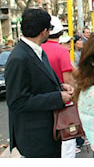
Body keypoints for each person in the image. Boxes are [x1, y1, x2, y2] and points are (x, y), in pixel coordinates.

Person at [5, 8, 74, 158]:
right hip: (35, 138)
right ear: (44, 31)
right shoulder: (19, 58)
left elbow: (39, 83)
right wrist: (57, 98)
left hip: (48, 132)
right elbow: (17, 102)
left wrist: (60, 86)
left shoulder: (37, 51)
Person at [42, 16, 77, 157]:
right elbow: (68, 79)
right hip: (63, 101)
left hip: (43, 103)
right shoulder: (61, 51)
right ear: (61, 33)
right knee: (68, 141)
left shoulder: (36, 49)